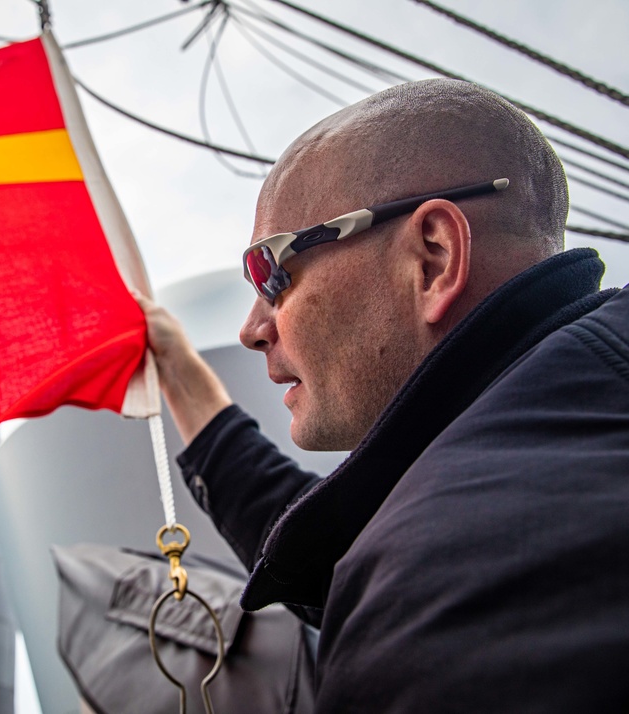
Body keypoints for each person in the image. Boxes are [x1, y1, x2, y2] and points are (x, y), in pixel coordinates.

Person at [136, 78, 629, 712]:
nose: (253, 329)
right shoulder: (558, 439)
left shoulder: (445, 590)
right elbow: (340, 541)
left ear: (433, 256)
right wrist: (180, 370)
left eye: (273, 273)